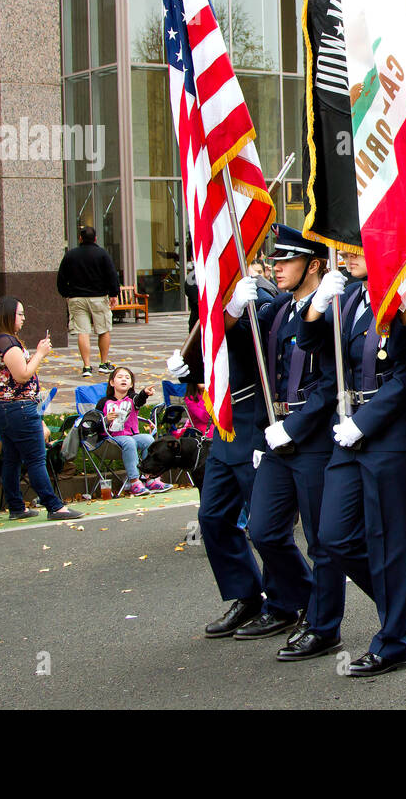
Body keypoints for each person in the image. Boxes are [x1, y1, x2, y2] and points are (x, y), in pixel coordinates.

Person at [299, 248, 406, 676]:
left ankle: (393, 642)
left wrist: (366, 422)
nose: (349, 255)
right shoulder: (352, 296)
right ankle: (403, 599)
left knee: (390, 545)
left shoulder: (405, 298)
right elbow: (316, 350)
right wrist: (316, 309)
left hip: (391, 435)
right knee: (333, 535)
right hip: (351, 430)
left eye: (359, 247)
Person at [179, 274, 301, 640]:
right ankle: (247, 594)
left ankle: (287, 601)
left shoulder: (255, 295)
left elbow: (263, 352)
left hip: (251, 417)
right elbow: (210, 357)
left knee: (265, 525)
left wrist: (235, 313)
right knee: (213, 515)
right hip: (223, 421)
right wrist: (187, 368)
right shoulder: (211, 307)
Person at [247, 226, 344, 650]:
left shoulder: (333, 308)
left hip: (314, 436)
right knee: (264, 530)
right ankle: (305, 600)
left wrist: (294, 428)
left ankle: (324, 628)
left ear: (315, 264)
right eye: (276, 259)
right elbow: (248, 353)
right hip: (276, 434)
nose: (277, 266)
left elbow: (330, 381)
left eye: (287, 259)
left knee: (322, 542)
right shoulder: (280, 309)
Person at [0, 298, 83, 521]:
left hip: (5, 407)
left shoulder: (0, 340)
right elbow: (21, 375)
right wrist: (40, 353)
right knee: (36, 458)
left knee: (12, 457)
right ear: (8, 316)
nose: (23, 318)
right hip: (17, 407)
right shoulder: (7, 342)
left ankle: (16, 506)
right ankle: (54, 506)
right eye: (20, 314)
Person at [56, 225, 121, 378]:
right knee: (103, 329)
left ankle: (86, 366)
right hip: (99, 297)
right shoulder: (102, 254)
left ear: (80, 238)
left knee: (82, 331)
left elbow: (61, 278)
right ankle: (104, 364)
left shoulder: (70, 255)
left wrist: (67, 293)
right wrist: (114, 294)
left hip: (77, 298)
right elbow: (112, 275)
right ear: (95, 238)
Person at [101, 367, 167, 496]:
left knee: (148, 439)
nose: (124, 379)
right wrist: (106, 420)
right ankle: (135, 482)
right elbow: (95, 423)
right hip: (111, 438)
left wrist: (144, 393)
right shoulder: (104, 402)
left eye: (127, 377)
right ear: (112, 382)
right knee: (129, 442)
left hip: (131, 435)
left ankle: (151, 478)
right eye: (120, 377)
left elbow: (139, 400)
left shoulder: (132, 399)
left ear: (131, 384)